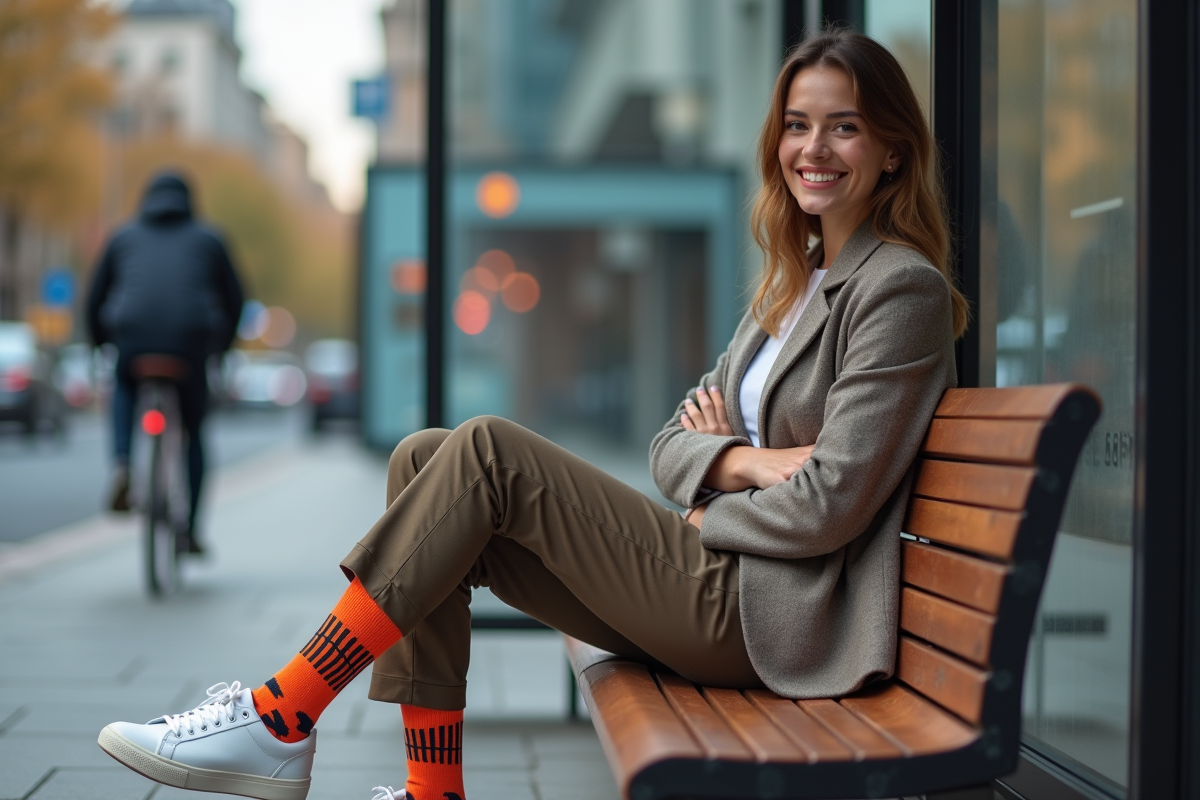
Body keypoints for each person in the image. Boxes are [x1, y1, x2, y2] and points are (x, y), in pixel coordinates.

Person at [96, 29, 968, 800]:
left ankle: (284, 715)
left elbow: (830, 502)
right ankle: (432, 790)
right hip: (723, 576)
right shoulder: (791, 284)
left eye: (844, 125)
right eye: (797, 124)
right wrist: (739, 463)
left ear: (893, 149)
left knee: (484, 452)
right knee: (425, 459)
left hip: (766, 616)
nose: (813, 147)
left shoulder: (899, 290)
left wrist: (716, 494)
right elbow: (673, 445)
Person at [87, 170, 244, 555]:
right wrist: (220, 349)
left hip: (133, 339)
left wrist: (101, 345)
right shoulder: (210, 238)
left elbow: (94, 299)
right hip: (190, 345)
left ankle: (123, 461)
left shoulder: (122, 236)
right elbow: (235, 298)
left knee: (124, 384)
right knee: (193, 432)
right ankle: (188, 530)